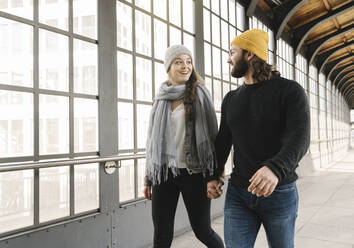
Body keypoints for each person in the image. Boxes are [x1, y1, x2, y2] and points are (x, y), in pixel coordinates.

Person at [206, 29, 310, 248]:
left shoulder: (290, 91)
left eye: (232, 52)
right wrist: (214, 175)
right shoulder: (231, 99)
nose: (228, 58)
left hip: (280, 192)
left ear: (250, 54)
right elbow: (223, 140)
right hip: (238, 195)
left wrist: (274, 168)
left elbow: (299, 138)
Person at [143, 44, 224, 248]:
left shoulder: (200, 95)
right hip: (164, 172)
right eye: (179, 62)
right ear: (169, 66)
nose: (185, 66)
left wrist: (214, 176)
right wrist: (148, 178)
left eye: (188, 62)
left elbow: (212, 139)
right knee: (161, 234)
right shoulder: (161, 98)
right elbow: (151, 140)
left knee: (202, 231)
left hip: (194, 173)